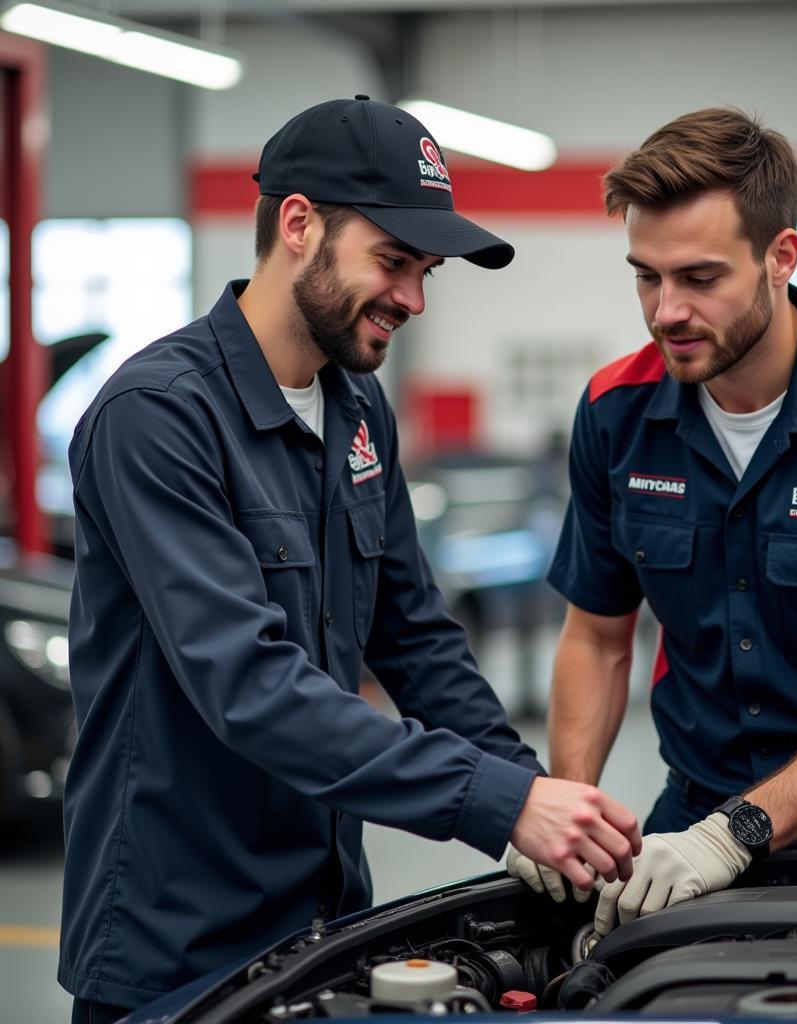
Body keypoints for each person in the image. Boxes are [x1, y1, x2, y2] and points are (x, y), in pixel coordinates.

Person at [59, 96, 641, 1023]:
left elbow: (415, 638)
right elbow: (248, 684)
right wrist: (494, 800)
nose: (413, 297)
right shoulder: (158, 417)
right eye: (393, 261)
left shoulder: (358, 415)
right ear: (299, 225)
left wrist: (537, 802)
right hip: (177, 944)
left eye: (426, 271)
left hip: (327, 926)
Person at [509, 107, 797, 934]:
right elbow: (596, 636)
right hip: (693, 817)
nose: (666, 312)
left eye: (699, 279)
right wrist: (571, 807)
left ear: (781, 257)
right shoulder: (615, 413)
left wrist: (737, 836)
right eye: (646, 277)